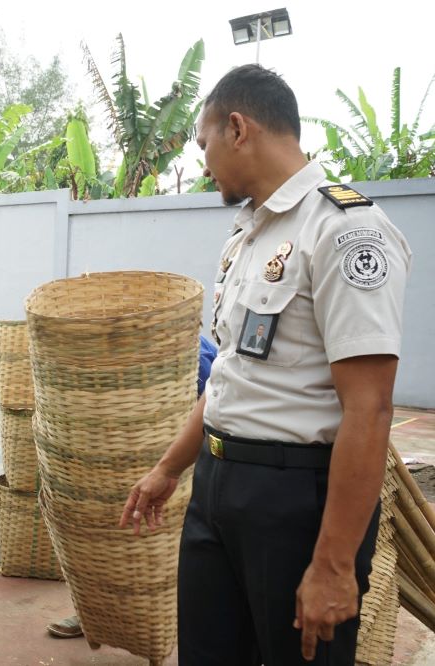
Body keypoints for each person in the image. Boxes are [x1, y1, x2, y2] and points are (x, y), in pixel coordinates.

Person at [121, 65, 411, 665]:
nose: (203, 164)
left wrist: (333, 565)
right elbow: (233, 370)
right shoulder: (248, 235)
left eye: (203, 145)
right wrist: (170, 469)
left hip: (294, 501)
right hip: (217, 486)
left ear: (237, 127)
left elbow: (369, 407)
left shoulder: (345, 229)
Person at [46, 334, 218, 639]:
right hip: (119, 457)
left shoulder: (198, 354)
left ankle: (162, 617)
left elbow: (203, 416)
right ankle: (94, 614)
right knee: (107, 539)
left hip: (173, 461)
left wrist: (171, 464)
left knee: (159, 546)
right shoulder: (124, 345)